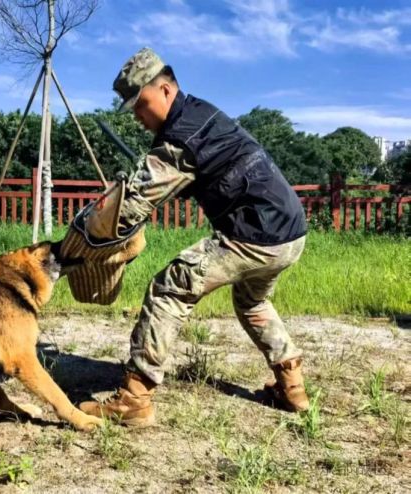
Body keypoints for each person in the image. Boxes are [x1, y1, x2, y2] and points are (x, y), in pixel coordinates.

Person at [78, 47, 309, 427]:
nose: (138, 116)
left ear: (166, 90)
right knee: (252, 302)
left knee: (169, 290)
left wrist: (92, 228)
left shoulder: (181, 137)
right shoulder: (201, 113)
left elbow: (134, 200)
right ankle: (292, 386)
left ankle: (135, 398)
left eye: (141, 104)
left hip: (255, 234)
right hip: (290, 231)